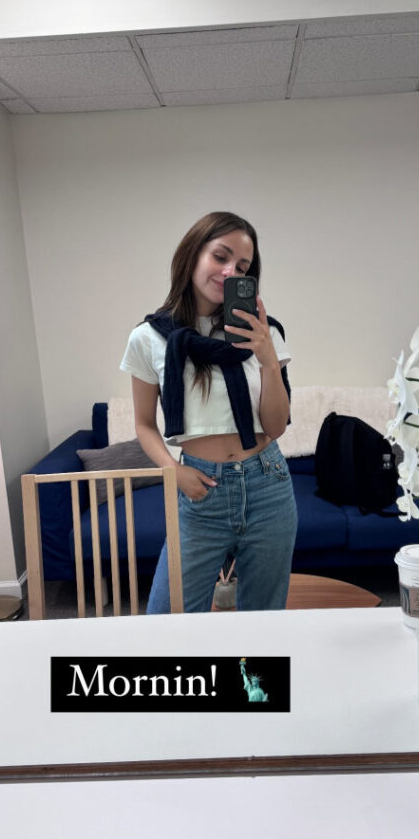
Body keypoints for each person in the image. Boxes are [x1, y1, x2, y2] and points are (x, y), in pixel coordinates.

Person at [120, 211, 298, 613]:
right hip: (201, 490)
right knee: (167, 617)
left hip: (268, 484)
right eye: (221, 256)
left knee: (264, 621)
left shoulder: (265, 333)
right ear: (193, 254)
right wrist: (172, 470)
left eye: (243, 267)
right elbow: (144, 425)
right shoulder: (148, 338)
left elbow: (275, 426)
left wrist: (268, 359)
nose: (230, 271)